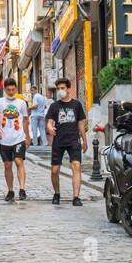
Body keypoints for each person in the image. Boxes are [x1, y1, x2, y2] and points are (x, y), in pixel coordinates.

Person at [46, 76, 88, 206]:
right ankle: (57, 193)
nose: (60, 91)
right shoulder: (54, 106)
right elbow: (49, 122)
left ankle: (76, 197)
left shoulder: (76, 105)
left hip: (73, 140)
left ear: (68, 89)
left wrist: (84, 141)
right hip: (58, 140)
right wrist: (50, 128)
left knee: (76, 166)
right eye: (58, 88)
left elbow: (81, 124)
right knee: (55, 170)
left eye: (62, 88)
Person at [0, 77, 30, 202]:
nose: (11, 92)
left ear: (16, 89)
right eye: (8, 90)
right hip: (4, 138)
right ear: (5, 90)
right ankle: (10, 190)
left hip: (18, 137)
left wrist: (27, 136)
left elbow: (25, 120)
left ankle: (22, 189)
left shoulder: (21, 103)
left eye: (13, 89)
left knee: (19, 161)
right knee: (7, 165)